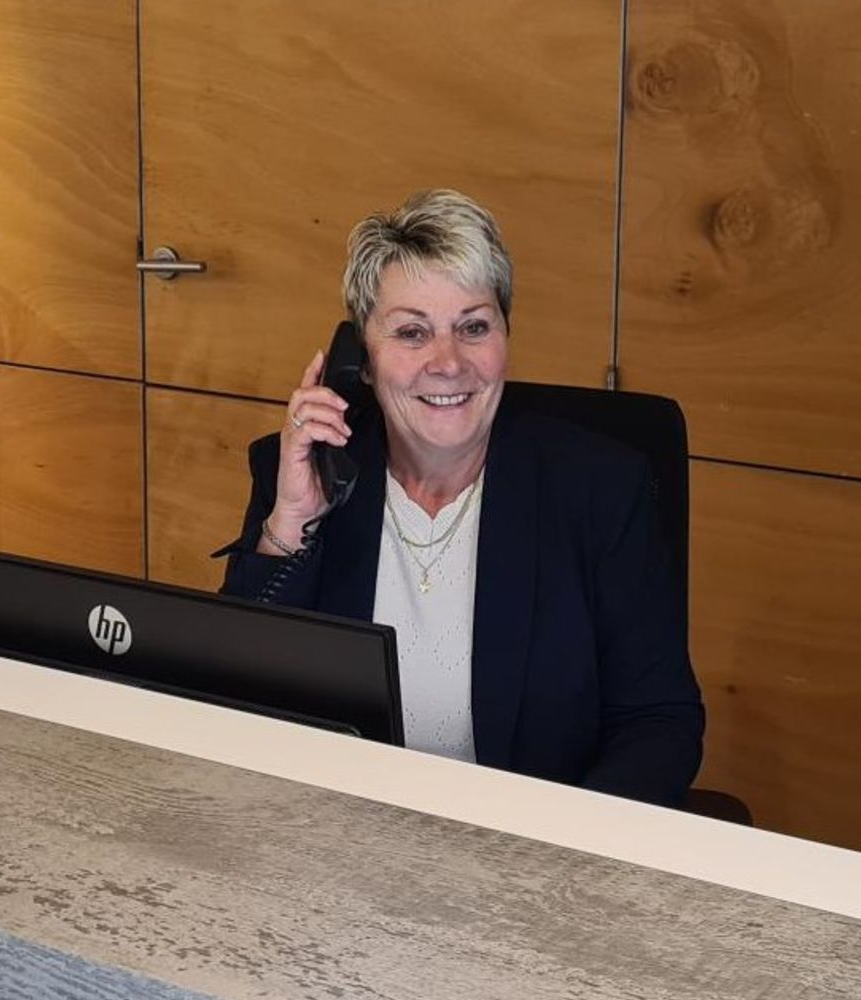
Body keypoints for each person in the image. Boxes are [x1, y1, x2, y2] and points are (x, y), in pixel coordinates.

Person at [218, 189, 704, 806]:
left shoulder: (599, 488)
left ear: (505, 337)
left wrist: (558, 840)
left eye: (473, 327)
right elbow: (231, 700)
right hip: (336, 830)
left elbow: (660, 721)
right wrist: (291, 522)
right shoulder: (305, 471)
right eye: (412, 332)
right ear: (360, 358)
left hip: (528, 840)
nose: (447, 363)